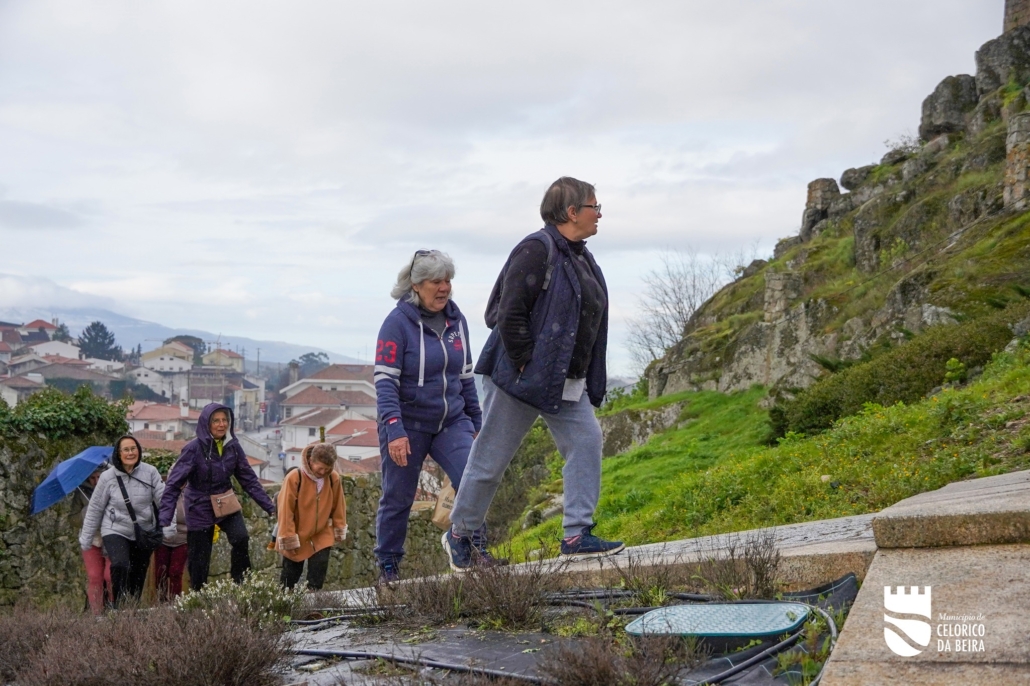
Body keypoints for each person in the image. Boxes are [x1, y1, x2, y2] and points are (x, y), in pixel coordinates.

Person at [445, 177, 624, 570]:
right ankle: (460, 535)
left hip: (564, 380)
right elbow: (508, 313)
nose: (600, 215)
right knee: (491, 460)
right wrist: (527, 362)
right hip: (518, 378)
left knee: (587, 441)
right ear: (572, 212)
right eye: (595, 207)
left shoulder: (581, 256)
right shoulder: (535, 248)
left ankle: (577, 534)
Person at [374, 249, 484, 582]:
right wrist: (395, 429)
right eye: (436, 281)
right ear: (417, 285)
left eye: (448, 280)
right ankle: (389, 567)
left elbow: (466, 377)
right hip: (408, 424)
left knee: (474, 480)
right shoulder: (396, 325)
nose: (444, 288)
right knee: (398, 496)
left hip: (452, 421)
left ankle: (472, 551)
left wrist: (477, 424)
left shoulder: (457, 321)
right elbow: (385, 382)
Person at [158, 403, 277, 590]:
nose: (221, 425)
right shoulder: (193, 449)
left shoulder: (233, 447)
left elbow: (249, 479)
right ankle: (198, 597)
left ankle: (241, 585)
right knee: (200, 559)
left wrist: (270, 507)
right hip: (198, 505)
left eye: (224, 420)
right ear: (206, 423)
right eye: (216, 421)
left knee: (241, 537)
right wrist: (165, 520)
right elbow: (173, 484)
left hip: (224, 501)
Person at [78, 435, 164, 607]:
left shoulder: (150, 472)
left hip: (143, 530)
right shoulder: (107, 477)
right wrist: (86, 538)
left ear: (139, 450)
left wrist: (169, 527)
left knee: (139, 572)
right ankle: (118, 604)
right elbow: (95, 508)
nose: (130, 453)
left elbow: (165, 500)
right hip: (115, 528)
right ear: (118, 453)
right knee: (119, 564)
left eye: (133, 448)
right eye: (126, 449)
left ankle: (131, 607)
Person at [275, 443, 347, 590]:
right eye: (320, 468)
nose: (323, 472)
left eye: (327, 469)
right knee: (290, 576)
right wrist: (288, 537)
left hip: (322, 533)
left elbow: (339, 505)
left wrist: (339, 527)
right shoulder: (294, 478)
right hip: (297, 532)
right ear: (311, 461)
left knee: (318, 574)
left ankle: (314, 606)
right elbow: (285, 510)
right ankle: (283, 607)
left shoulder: (333, 478)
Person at [70, 464, 112, 614]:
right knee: (95, 577)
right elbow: (72, 519)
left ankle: (114, 610)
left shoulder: (113, 487)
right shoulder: (81, 491)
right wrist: (85, 513)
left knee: (110, 576)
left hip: (111, 536)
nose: (95, 481)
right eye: (92, 478)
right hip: (91, 538)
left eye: (98, 477)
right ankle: (96, 614)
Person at [154, 492, 188, 601]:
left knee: (175, 572)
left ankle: (175, 604)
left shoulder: (190, 494)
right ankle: (161, 603)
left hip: (183, 540)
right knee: (160, 573)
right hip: (163, 539)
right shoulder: (163, 493)